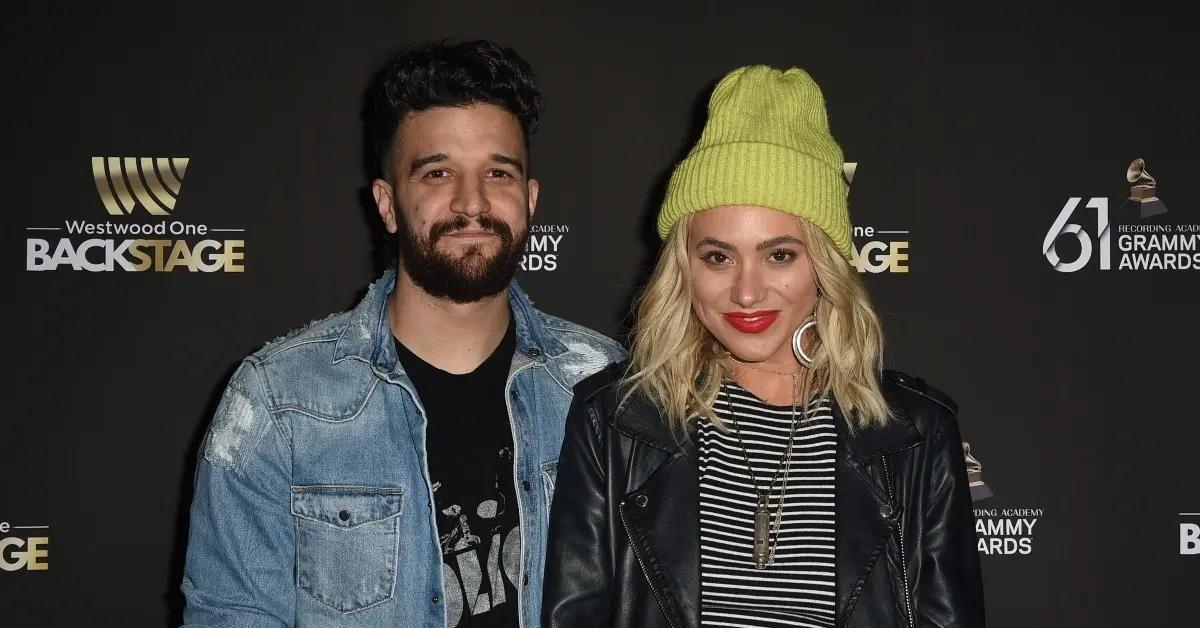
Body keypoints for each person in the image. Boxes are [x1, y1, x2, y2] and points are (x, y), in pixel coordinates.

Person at [181, 40, 625, 627]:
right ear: (388, 204)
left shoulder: (605, 385)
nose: (472, 202)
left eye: (498, 172)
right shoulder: (276, 401)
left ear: (530, 199)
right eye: (438, 173)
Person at [542, 66, 984, 628]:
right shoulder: (614, 424)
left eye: (779, 255)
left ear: (823, 266)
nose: (747, 290)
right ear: (684, 270)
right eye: (717, 257)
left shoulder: (916, 436)